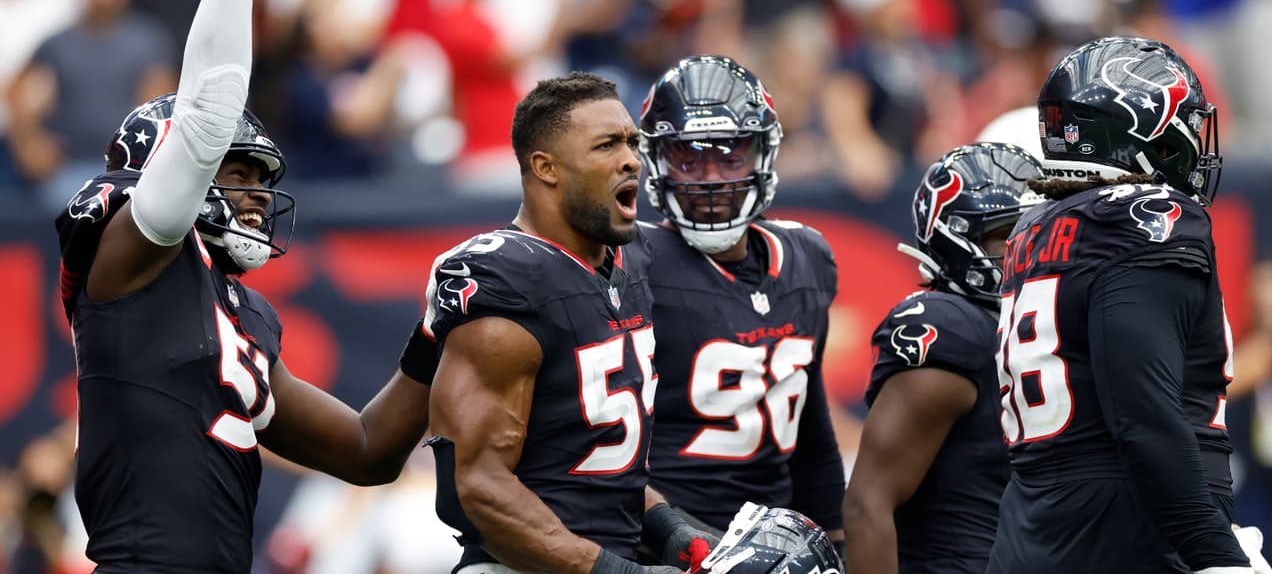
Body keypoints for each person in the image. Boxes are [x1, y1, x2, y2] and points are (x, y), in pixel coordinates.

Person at [55, 0, 437, 571]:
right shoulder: (132, 256)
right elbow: (206, 119)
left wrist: (435, 333)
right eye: (237, 174)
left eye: (262, 178)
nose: (257, 194)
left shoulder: (243, 314)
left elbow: (367, 452)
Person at [986, 36, 1270, 573]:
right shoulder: (1147, 220)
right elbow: (1144, 416)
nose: (1192, 144)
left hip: (1039, 530)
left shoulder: (1034, 229)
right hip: (1131, 537)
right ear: (1138, 130)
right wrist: (1215, 553)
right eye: (1182, 127)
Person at [424, 72, 697, 574]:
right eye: (607, 145)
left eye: (632, 142)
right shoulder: (506, 278)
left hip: (604, 553)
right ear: (545, 166)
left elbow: (590, 462)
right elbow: (475, 487)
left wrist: (670, 529)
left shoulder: (629, 258)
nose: (631, 160)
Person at [634, 55, 845, 549]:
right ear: (657, 162)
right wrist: (674, 536)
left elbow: (810, 428)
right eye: (689, 159)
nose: (711, 178)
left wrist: (837, 540)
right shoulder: (634, 263)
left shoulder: (806, 256)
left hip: (778, 540)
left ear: (762, 156)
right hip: (662, 538)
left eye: (730, 157)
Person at [843, 142, 1043, 572]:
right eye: (1006, 235)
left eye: (1034, 233)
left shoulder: (1044, 324)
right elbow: (867, 503)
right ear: (956, 240)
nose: (1025, 250)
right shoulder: (950, 328)